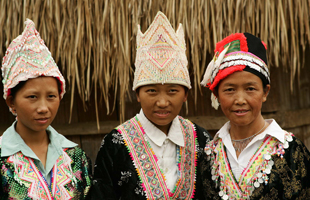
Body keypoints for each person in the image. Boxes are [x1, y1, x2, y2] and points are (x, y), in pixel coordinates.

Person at [90, 11, 211, 199]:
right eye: (152, 91)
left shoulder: (200, 140)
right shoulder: (115, 144)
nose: (162, 102)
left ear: (186, 94)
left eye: (172, 91)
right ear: (137, 94)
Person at [200, 32, 310, 199]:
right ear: (216, 95)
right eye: (229, 90)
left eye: (250, 89)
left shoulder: (292, 151)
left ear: (265, 92)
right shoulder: (210, 155)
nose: (240, 100)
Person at [0, 19, 92, 199]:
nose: (43, 108)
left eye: (51, 96)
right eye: (32, 97)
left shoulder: (76, 157)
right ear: (12, 102)